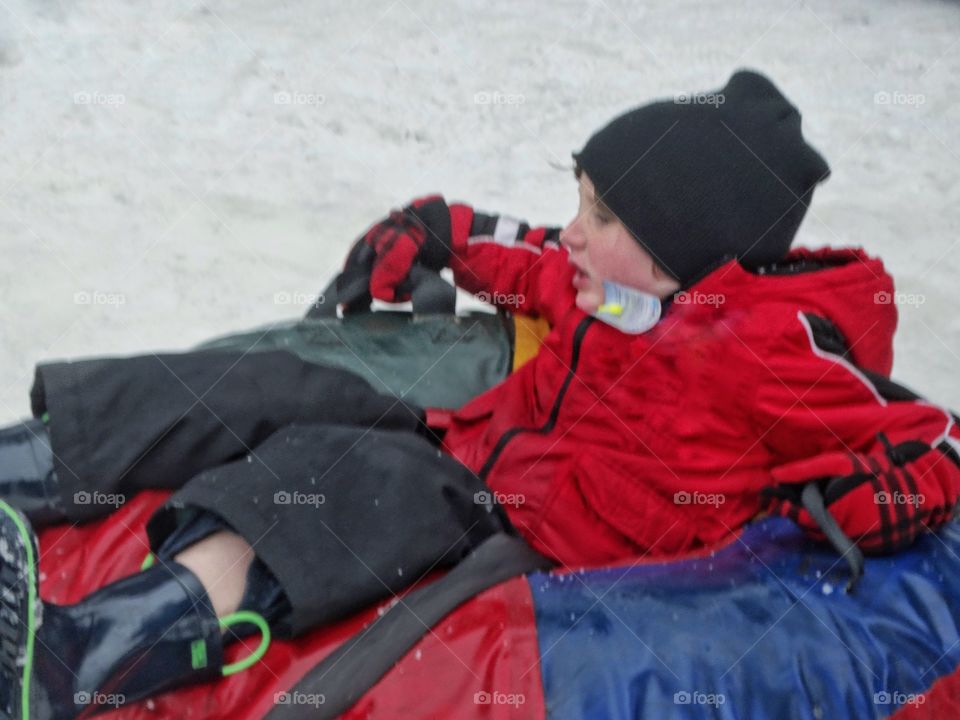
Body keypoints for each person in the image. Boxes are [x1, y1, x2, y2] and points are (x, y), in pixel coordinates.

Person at [1, 69, 958, 719]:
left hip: (530, 534)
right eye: (580, 199)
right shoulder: (613, 289)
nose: (573, 233)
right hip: (474, 445)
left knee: (336, 479)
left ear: (685, 251)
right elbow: (534, 263)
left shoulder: (759, 353)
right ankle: (26, 471)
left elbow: (932, 440)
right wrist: (444, 232)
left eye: (604, 214)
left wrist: (889, 495)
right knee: (270, 384)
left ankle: (85, 655)